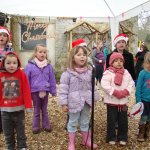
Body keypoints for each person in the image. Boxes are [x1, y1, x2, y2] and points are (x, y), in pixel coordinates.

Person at [59, 45, 99, 150]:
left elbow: (93, 87)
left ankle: (87, 141)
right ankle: (71, 143)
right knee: (72, 122)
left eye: (84, 55)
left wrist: (95, 98)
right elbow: (63, 89)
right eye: (79, 54)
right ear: (73, 57)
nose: (82, 57)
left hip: (86, 101)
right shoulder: (67, 74)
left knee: (85, 121)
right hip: (74, 102)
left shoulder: (90, 72)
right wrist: (64, 104)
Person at [0, 52, 32, 150]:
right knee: (8, 133)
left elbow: (26, 90)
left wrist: (28, 105)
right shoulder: (1, 75)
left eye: (14, 63)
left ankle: (22, 146)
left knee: (20, 131)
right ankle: (10, 147)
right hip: (5, 111)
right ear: (3, 64)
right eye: (8, 63)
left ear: (18, 63)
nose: (11, 65)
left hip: (19, 111)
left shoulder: (21, 74)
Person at [101, 52, 135, 145]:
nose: (119, 62)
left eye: (121, 61)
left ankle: (123, 137)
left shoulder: (126, 72)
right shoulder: (108, 72)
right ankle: (111, 137)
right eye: (116, 61)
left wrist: (126, 91)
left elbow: (131, 83)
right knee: (111, 121)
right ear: (111, 62)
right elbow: (104, 84)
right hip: (112, 101)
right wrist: (114, 92)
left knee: (123, 121)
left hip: (123, 101)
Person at [25, 44, 56, 134]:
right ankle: (35, 126)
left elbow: (52, 79)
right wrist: (27, 93)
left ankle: (46, 125)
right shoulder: (30, 66)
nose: (42, 54)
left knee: (45, 109)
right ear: (35, 53)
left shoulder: (49, 66)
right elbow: (27, 79)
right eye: (40, 52)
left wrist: (53, 90)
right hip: (35, 91)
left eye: (44, 52)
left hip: (45, 91)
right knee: (37, 109)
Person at [0, 26, 13, 133]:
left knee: (7, 99)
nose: (2, 37)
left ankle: (8, 124)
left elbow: (12, 61)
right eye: (0, 35)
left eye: (4, 35)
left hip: (6, 77)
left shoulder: (9, 49)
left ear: (7, 38)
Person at [135, 52, 150, 142]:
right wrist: (138, 100)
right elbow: (138, 88)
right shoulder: (142, 73)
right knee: (144, 117)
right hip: (144, 100)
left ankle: (147, 131)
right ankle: (141, 131)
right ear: (145, 63)